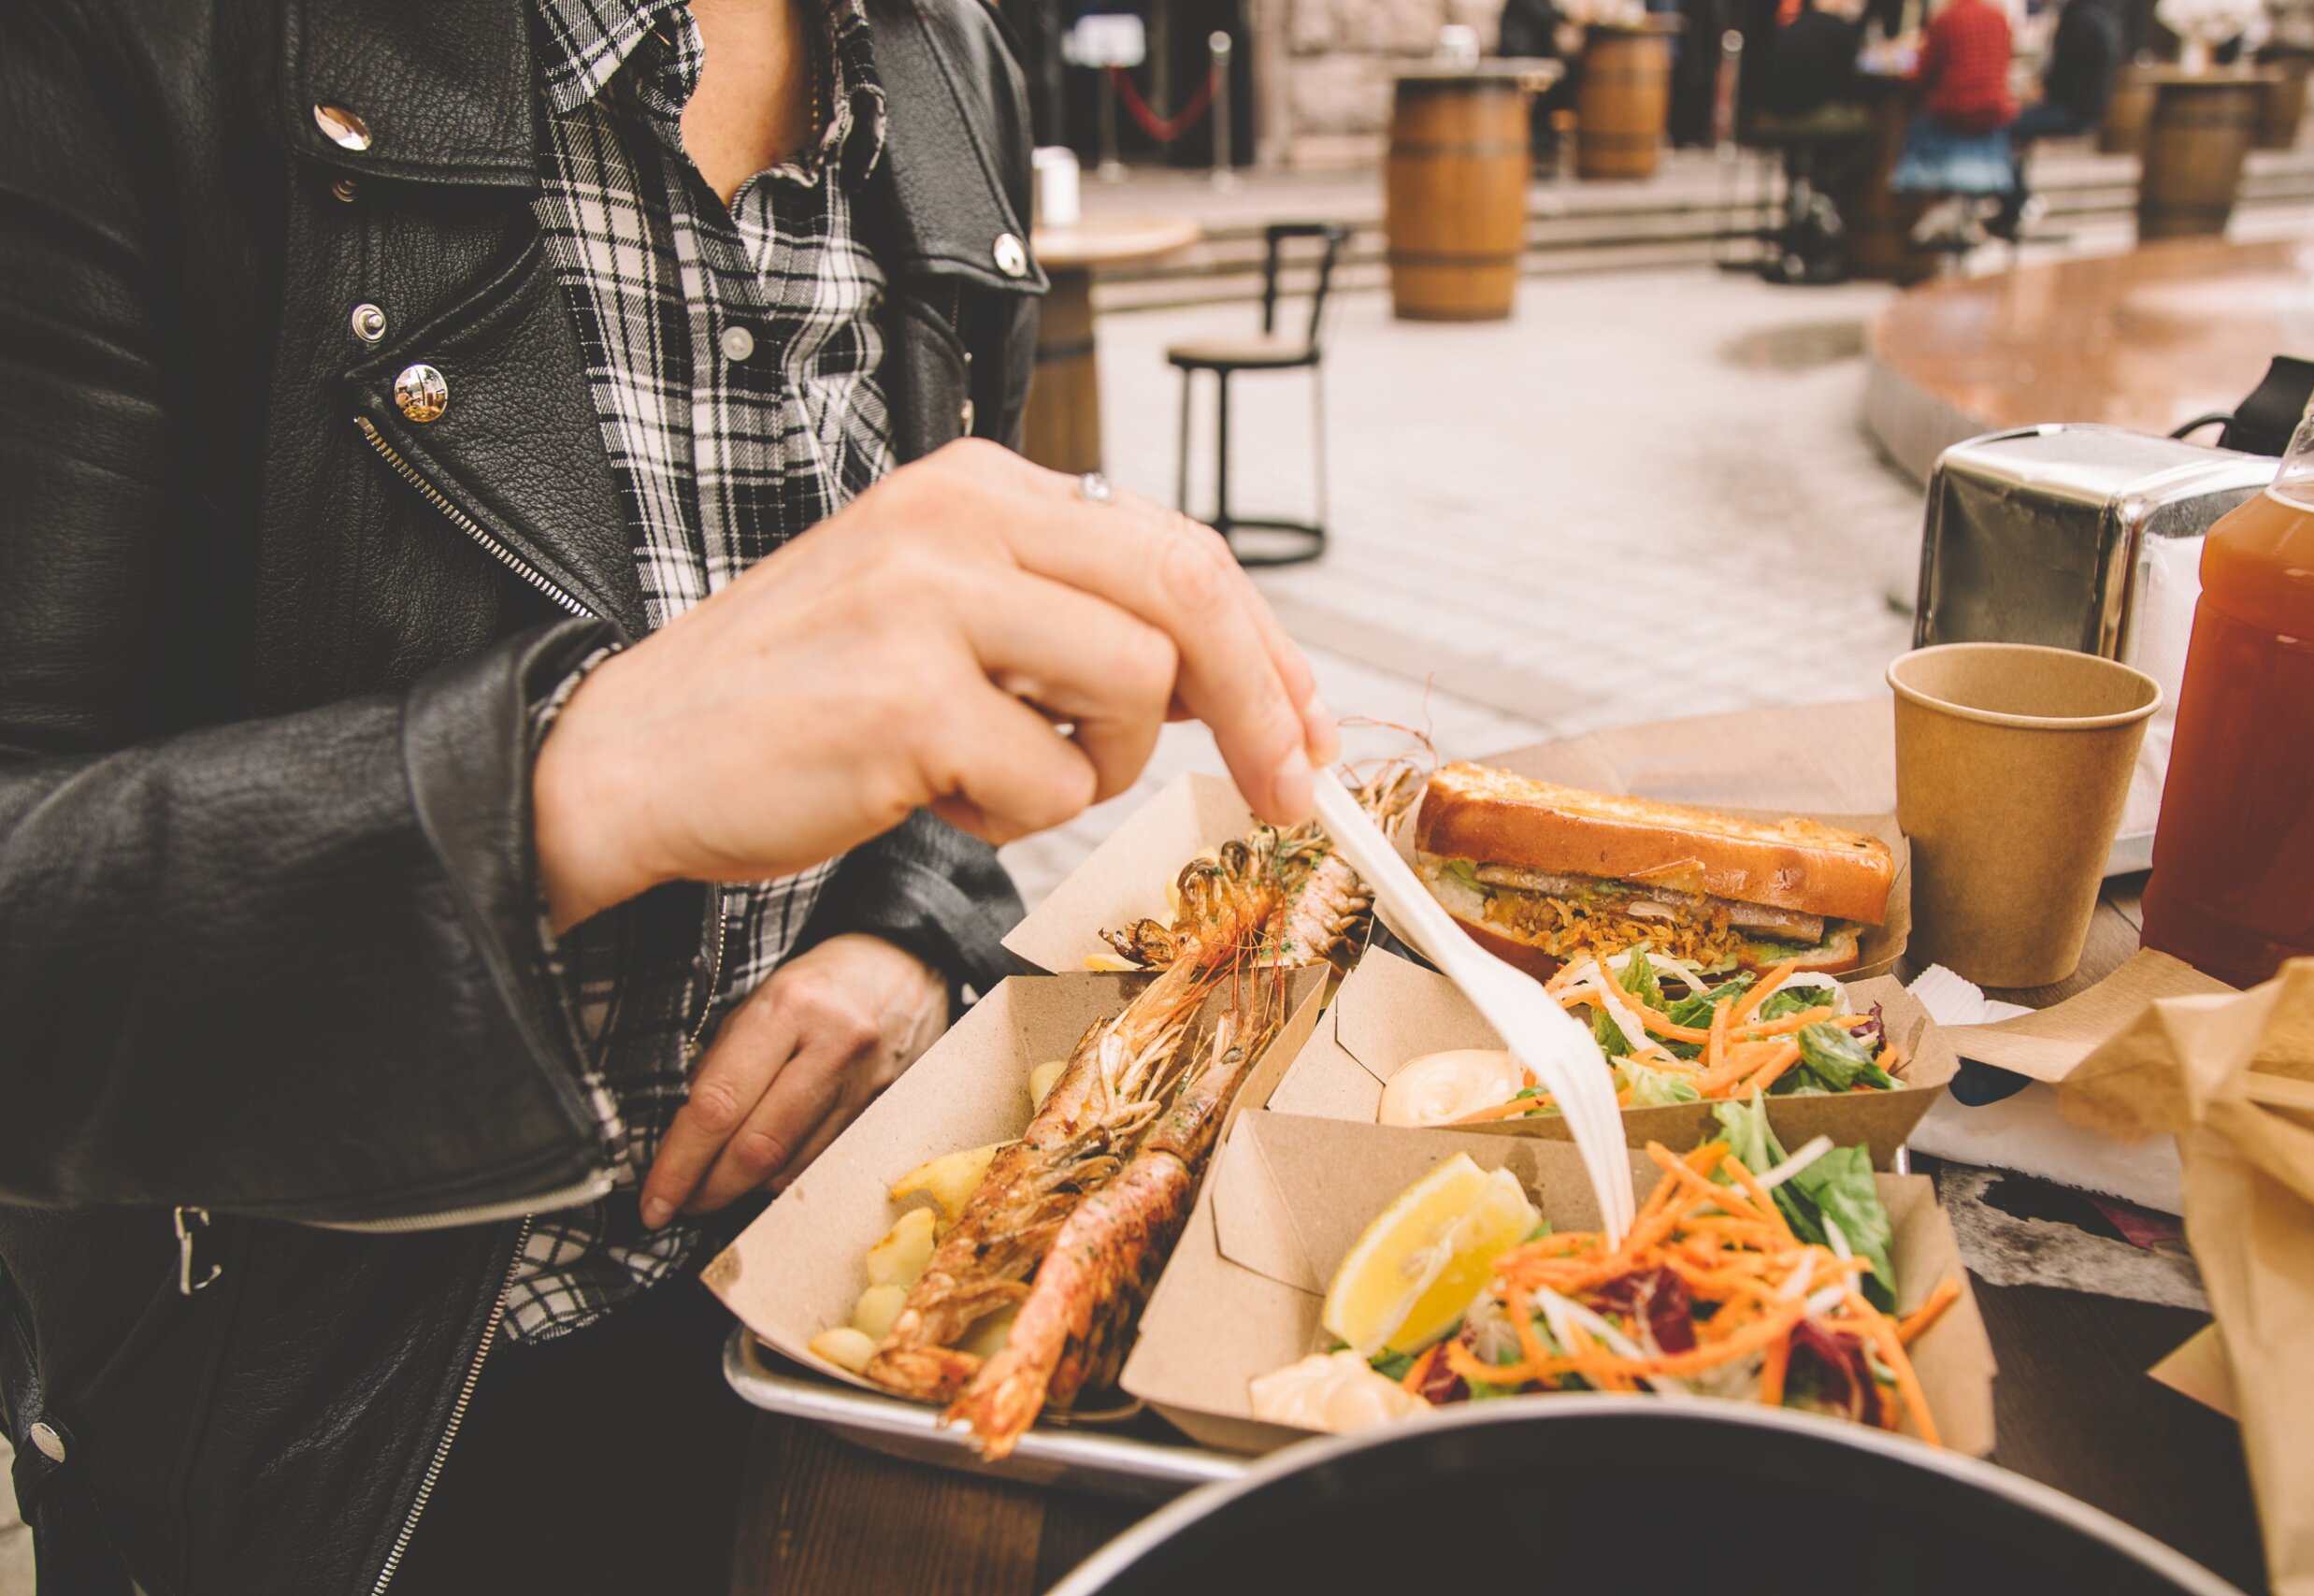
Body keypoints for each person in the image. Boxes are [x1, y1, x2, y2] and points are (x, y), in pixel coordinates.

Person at [0, 0, 1338, 1591]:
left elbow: (910, 701)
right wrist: (575, 778)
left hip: (818, 1318)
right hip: (342, 1441)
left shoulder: (943, 56)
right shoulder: (121, 50)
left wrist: (904, 919)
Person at [1754, 0, 1874, 280]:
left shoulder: (1794, 24)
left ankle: (1802, 186)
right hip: (1812, 117)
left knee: (1815, 142)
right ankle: (1824, 189)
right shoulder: (1841, 31)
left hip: (1774, 119)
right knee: (1866, 131)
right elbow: (1849, 84)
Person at [1892, 0, 2021, 245]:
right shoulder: (1999, 19)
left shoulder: (1945, 20)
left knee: (1916, 127)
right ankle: (1966, 210)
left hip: (1951, 112)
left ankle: (1925, 206)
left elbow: (1923, 74)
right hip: (1993, 115)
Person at [1991, 0, 2122, 238]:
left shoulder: (2080, 21)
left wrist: (2037, 90)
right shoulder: (2097, 16)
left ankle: (2018, 201)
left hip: (2071, 112)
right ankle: (2013, 201)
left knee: (1999, 126)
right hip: (2082, 109)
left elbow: (2064, 80)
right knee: (2005, 124)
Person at [1501, 0, 1583, 170]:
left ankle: (1545, 136)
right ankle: (1540, 138)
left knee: (1571, 72)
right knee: (1563, 77)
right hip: (1520, 54)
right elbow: (1544, 13)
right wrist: (1571, 15)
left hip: (1535, 55)